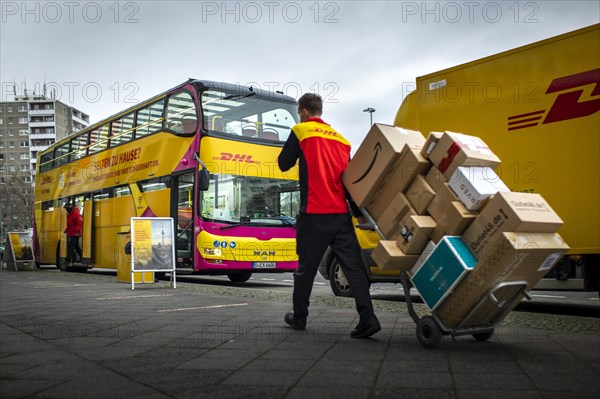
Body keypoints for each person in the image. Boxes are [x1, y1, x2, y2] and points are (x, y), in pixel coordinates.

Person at [278, 93, 381, 339]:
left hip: (313, 212)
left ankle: (299, 317)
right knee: (354, 268)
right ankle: (368, 318)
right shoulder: (342, 140)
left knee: (306, 269)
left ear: (303, 111)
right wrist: (358, 214)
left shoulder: (301, 131)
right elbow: (348, 183)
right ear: (320, 111)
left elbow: (283, 163)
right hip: (341, 214)